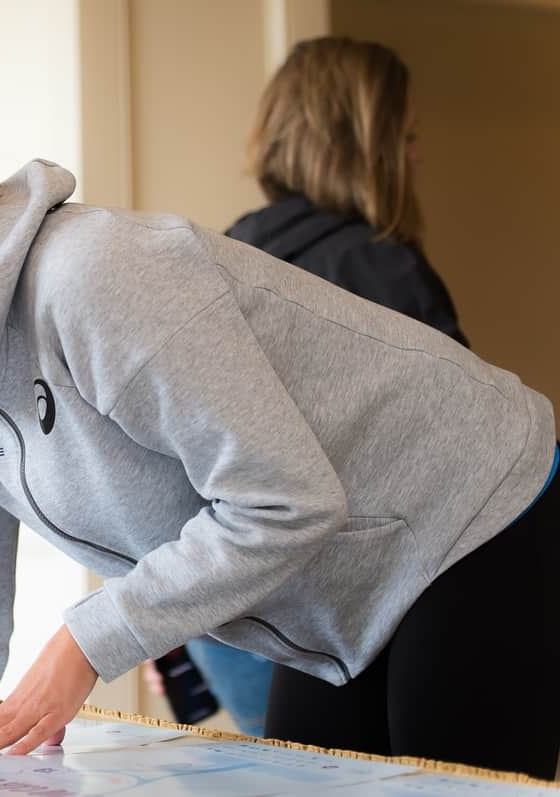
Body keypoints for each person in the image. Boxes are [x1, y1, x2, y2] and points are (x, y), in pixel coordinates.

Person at [0, 87, 560, 779]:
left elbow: (283, 495)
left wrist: (85, 643)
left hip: (472, 508)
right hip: (337, 591)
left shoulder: (90, 274)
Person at [152, 35, 473, 739]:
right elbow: (468, 482)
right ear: (369, 142)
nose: (416, 155)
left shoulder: (217, 254)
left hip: (229, 628)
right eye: (407, 135)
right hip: (345, 626)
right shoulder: (384, 273)